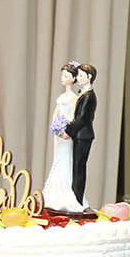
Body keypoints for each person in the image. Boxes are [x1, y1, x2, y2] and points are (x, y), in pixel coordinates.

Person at [41, 62, 84, 211]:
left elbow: (73, 116)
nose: (63, 78)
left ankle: (66, 194)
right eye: (62, 75)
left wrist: (65, 129)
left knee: (65, 160)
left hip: (66, 135)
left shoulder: (74, 97)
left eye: (66, 75)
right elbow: (56, 112)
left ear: (73, 78)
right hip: (58, 135)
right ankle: (54, 196)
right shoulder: (62, 97)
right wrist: (55, 126)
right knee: (57, 159)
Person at [65, 63, 97, 207]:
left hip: (83, 136)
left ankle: (77, 200)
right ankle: (75, 198)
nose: (78, 78)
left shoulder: (89, 96)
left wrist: (67, 131)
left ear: (89, 77)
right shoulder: (83, 93)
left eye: (81, 75)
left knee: (79, 167)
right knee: (76, 167)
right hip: (79, 135)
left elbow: (83, 118)